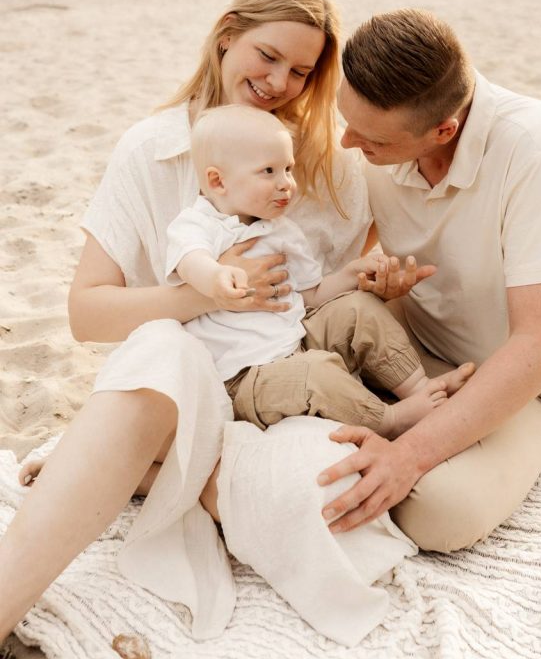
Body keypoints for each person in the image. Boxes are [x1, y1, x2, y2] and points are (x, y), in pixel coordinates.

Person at [0, 0, 400, 640]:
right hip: (175, 372)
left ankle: (140, 463)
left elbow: (334, 300)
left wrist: (372, 280)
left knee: (329, 497)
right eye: (266, 55)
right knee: (164, 347)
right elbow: (86, 311)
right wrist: (202, 293)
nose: (278, 82)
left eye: (301, 71)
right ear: (226, 36)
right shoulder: (151, 149)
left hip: (275, 387)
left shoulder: (323, 166)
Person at [316, 8, 541, 551]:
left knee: (440, 511)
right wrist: (374, 285)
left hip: (532, 384)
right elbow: (334, 270)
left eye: (371, 140)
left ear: (444, 129)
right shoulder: (375, 141)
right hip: (415, 348)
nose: (347, 144)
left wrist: (408, 455)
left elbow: (540, 345)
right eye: (347, 121)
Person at [164, 104, 472, 438]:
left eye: (288, 169)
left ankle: (419, 388)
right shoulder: (200, 223)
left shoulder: (281, 230)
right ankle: (391, 419)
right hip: (244, 376)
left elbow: (311, 295)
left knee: (358, 308)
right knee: (315, 374)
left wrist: (351, 275)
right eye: (268, 171)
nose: (286, 184)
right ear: (218, 181)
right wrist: (214, 278)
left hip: (296, 339)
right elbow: (189, 257)